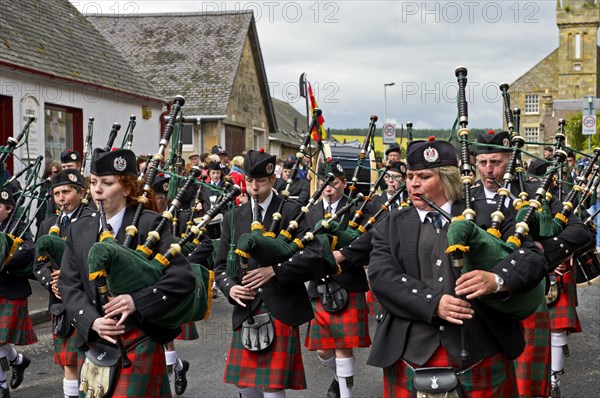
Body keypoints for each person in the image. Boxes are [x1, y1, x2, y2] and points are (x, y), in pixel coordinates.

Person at [368, 138, 548, 397]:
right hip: (410, 350)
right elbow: (381, 277)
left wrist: (496, 279)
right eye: (410, 176)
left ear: (447, 178)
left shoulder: (489, 214)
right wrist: (433, 303)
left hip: (481, 346)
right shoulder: (392, 224)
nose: (413, 183)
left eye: (424, 176)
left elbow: (532, 257)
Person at [59, 148, 196, 397]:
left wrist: (136, 301)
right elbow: (69, 285)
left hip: (138, 337)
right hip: (94, 339)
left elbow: (182, 278)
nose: (97, 190)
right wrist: (92, 320)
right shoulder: (79, 230)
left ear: (127, 188)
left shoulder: (149, 224)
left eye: (107, 183)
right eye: (93, 182)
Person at [472, 131, 593, 398]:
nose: (489, 170)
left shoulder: (533, 193)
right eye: (482, 162)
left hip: (527, 294)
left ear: (512, 161)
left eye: (496, 162)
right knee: (483, 383)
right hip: (479, 301)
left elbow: (580, 231)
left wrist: (542, 252)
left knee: (527, 385)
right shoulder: (465, 198)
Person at [214, 148, 328, 398]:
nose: (254, 187)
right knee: (244, 384)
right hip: (246, 309)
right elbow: (220, 266)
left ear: (273, 180)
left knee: (272, 385)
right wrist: (231, 288)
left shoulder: (292, 211)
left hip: (281, 304)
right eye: (250, 181)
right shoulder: (233, 217)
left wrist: (275, 271)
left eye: (261, 181)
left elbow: (313, 255)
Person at [305, 160, 369, 398]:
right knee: (322, 350)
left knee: (343, 345)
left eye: (333, 183)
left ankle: (345, 394)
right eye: (323, 183)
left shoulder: (357, 208)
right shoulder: (310, 211)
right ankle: (338, 377)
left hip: (348, 281)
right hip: (319, 284)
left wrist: (343, 254)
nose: (328, 188)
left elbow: (370, 240)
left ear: (344, 183)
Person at [34, 169, 89, 398]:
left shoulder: (90, 220)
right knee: (68, 361)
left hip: (86, 298)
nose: (61, 198)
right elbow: (37, 265)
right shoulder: (48, 224)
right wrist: (51, 283)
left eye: (66, 192)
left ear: (81, 192)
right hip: (60, 302)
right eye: (56, 193)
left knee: (88, 360)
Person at [0, 185, 37, 398]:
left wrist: (5, 258)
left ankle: (2, 386)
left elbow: (30, 251)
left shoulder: (19, 227)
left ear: (9, 208)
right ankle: (18, 360)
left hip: (11, 290)